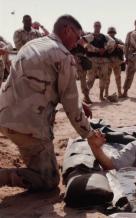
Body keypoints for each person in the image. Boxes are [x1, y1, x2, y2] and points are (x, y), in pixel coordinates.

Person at [0, 15, 105, 191]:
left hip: (5, 115)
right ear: (67, 30)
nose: (78, 43)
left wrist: (75, 102)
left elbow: (39, 83)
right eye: (78, 37)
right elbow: (72, 108)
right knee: (49, 180)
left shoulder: (33, 44)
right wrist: (90, 134)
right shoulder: (63, 56)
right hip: (27, 127)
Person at [85, 21, 115, 101]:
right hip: (93, 59)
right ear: (93, 26)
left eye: (98, 26)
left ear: (100, 27)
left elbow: (112, 42)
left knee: (103, 78)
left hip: (103, 60)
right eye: (96, 26)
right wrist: (97, 50)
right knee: (90, 79)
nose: (97, 27)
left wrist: (105, 48)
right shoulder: (90, 36)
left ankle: (101, 95)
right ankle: (86, 96)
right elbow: (86, 44)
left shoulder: (104, 36)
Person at [122, 19, 136, 98]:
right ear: (135, 24)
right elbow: (126, 45)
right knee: (129, 75)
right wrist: (126, 56)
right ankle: (125, 92)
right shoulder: (130, 33)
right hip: (132, 57)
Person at [106, 26, 125, 98]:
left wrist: (118, 46)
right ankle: (106, 93)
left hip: (117, 61)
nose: (112, 34)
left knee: (118, 78)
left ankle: (119, 92)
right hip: (109, 61)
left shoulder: (118, 40)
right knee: (107, 78)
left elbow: (124, 46)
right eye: (110, 32)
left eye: (113, 32)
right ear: (108, 33)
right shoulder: (106, 40)